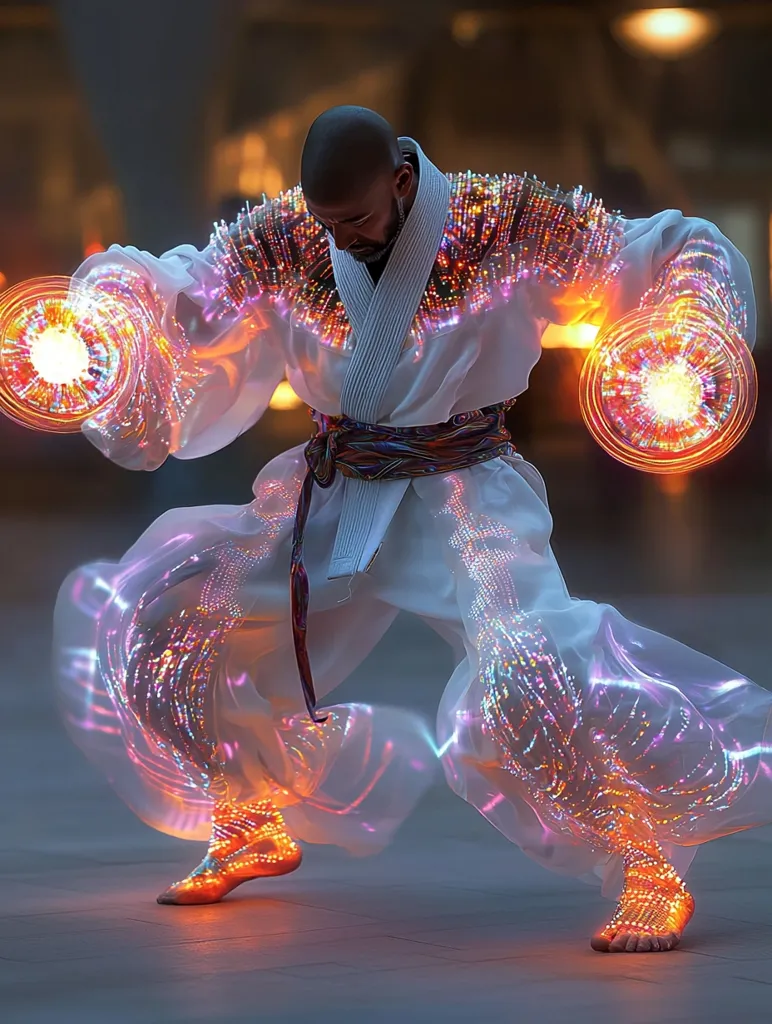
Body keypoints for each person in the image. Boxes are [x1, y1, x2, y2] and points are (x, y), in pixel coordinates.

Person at [53, 105, 767, 954]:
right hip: (330, 490)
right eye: (325, 221)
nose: (339, 239)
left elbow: (664, 246)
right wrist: (115, 309)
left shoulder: (506, 221)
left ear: (400, 181)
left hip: (464, 494)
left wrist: (688, 319)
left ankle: (644, 864)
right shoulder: (285, 237)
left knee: (527, 672)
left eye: (354, 218)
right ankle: (248, 818)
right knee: (170, 621)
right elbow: (187, 292)